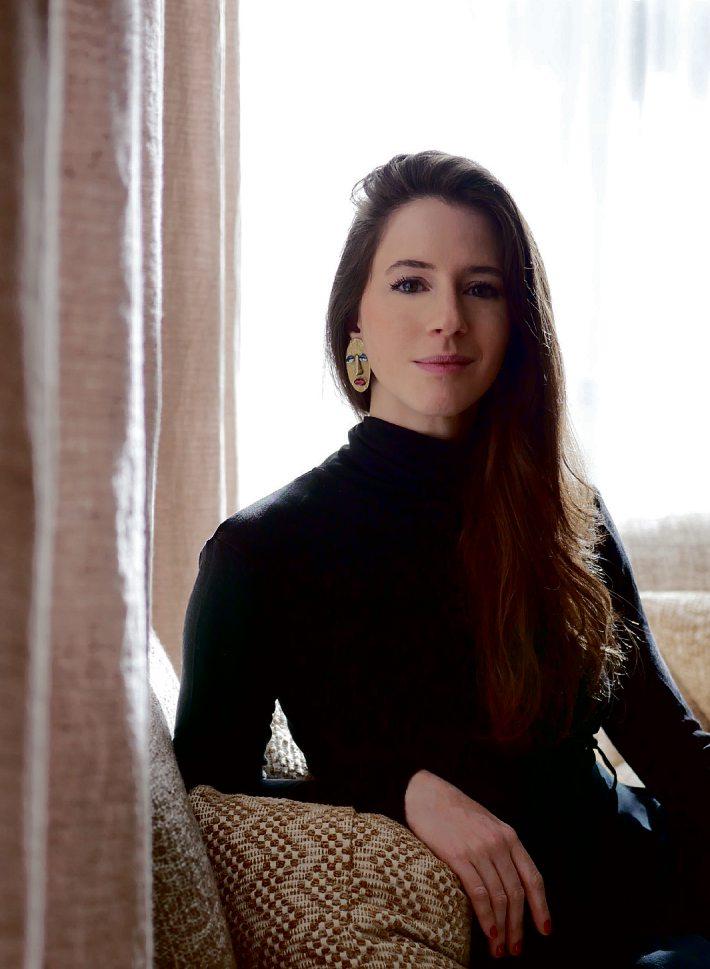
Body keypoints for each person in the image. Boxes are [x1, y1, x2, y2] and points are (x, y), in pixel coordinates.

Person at [173, 150, 710, 967]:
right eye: (411, 283)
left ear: (515, 321)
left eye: (481, 288)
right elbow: (209, 808)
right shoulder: (261, 554)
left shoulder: (567, 514)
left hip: (664, 896)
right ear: (354, 318)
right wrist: (402, 790)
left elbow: (671, 748)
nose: (448, 318)